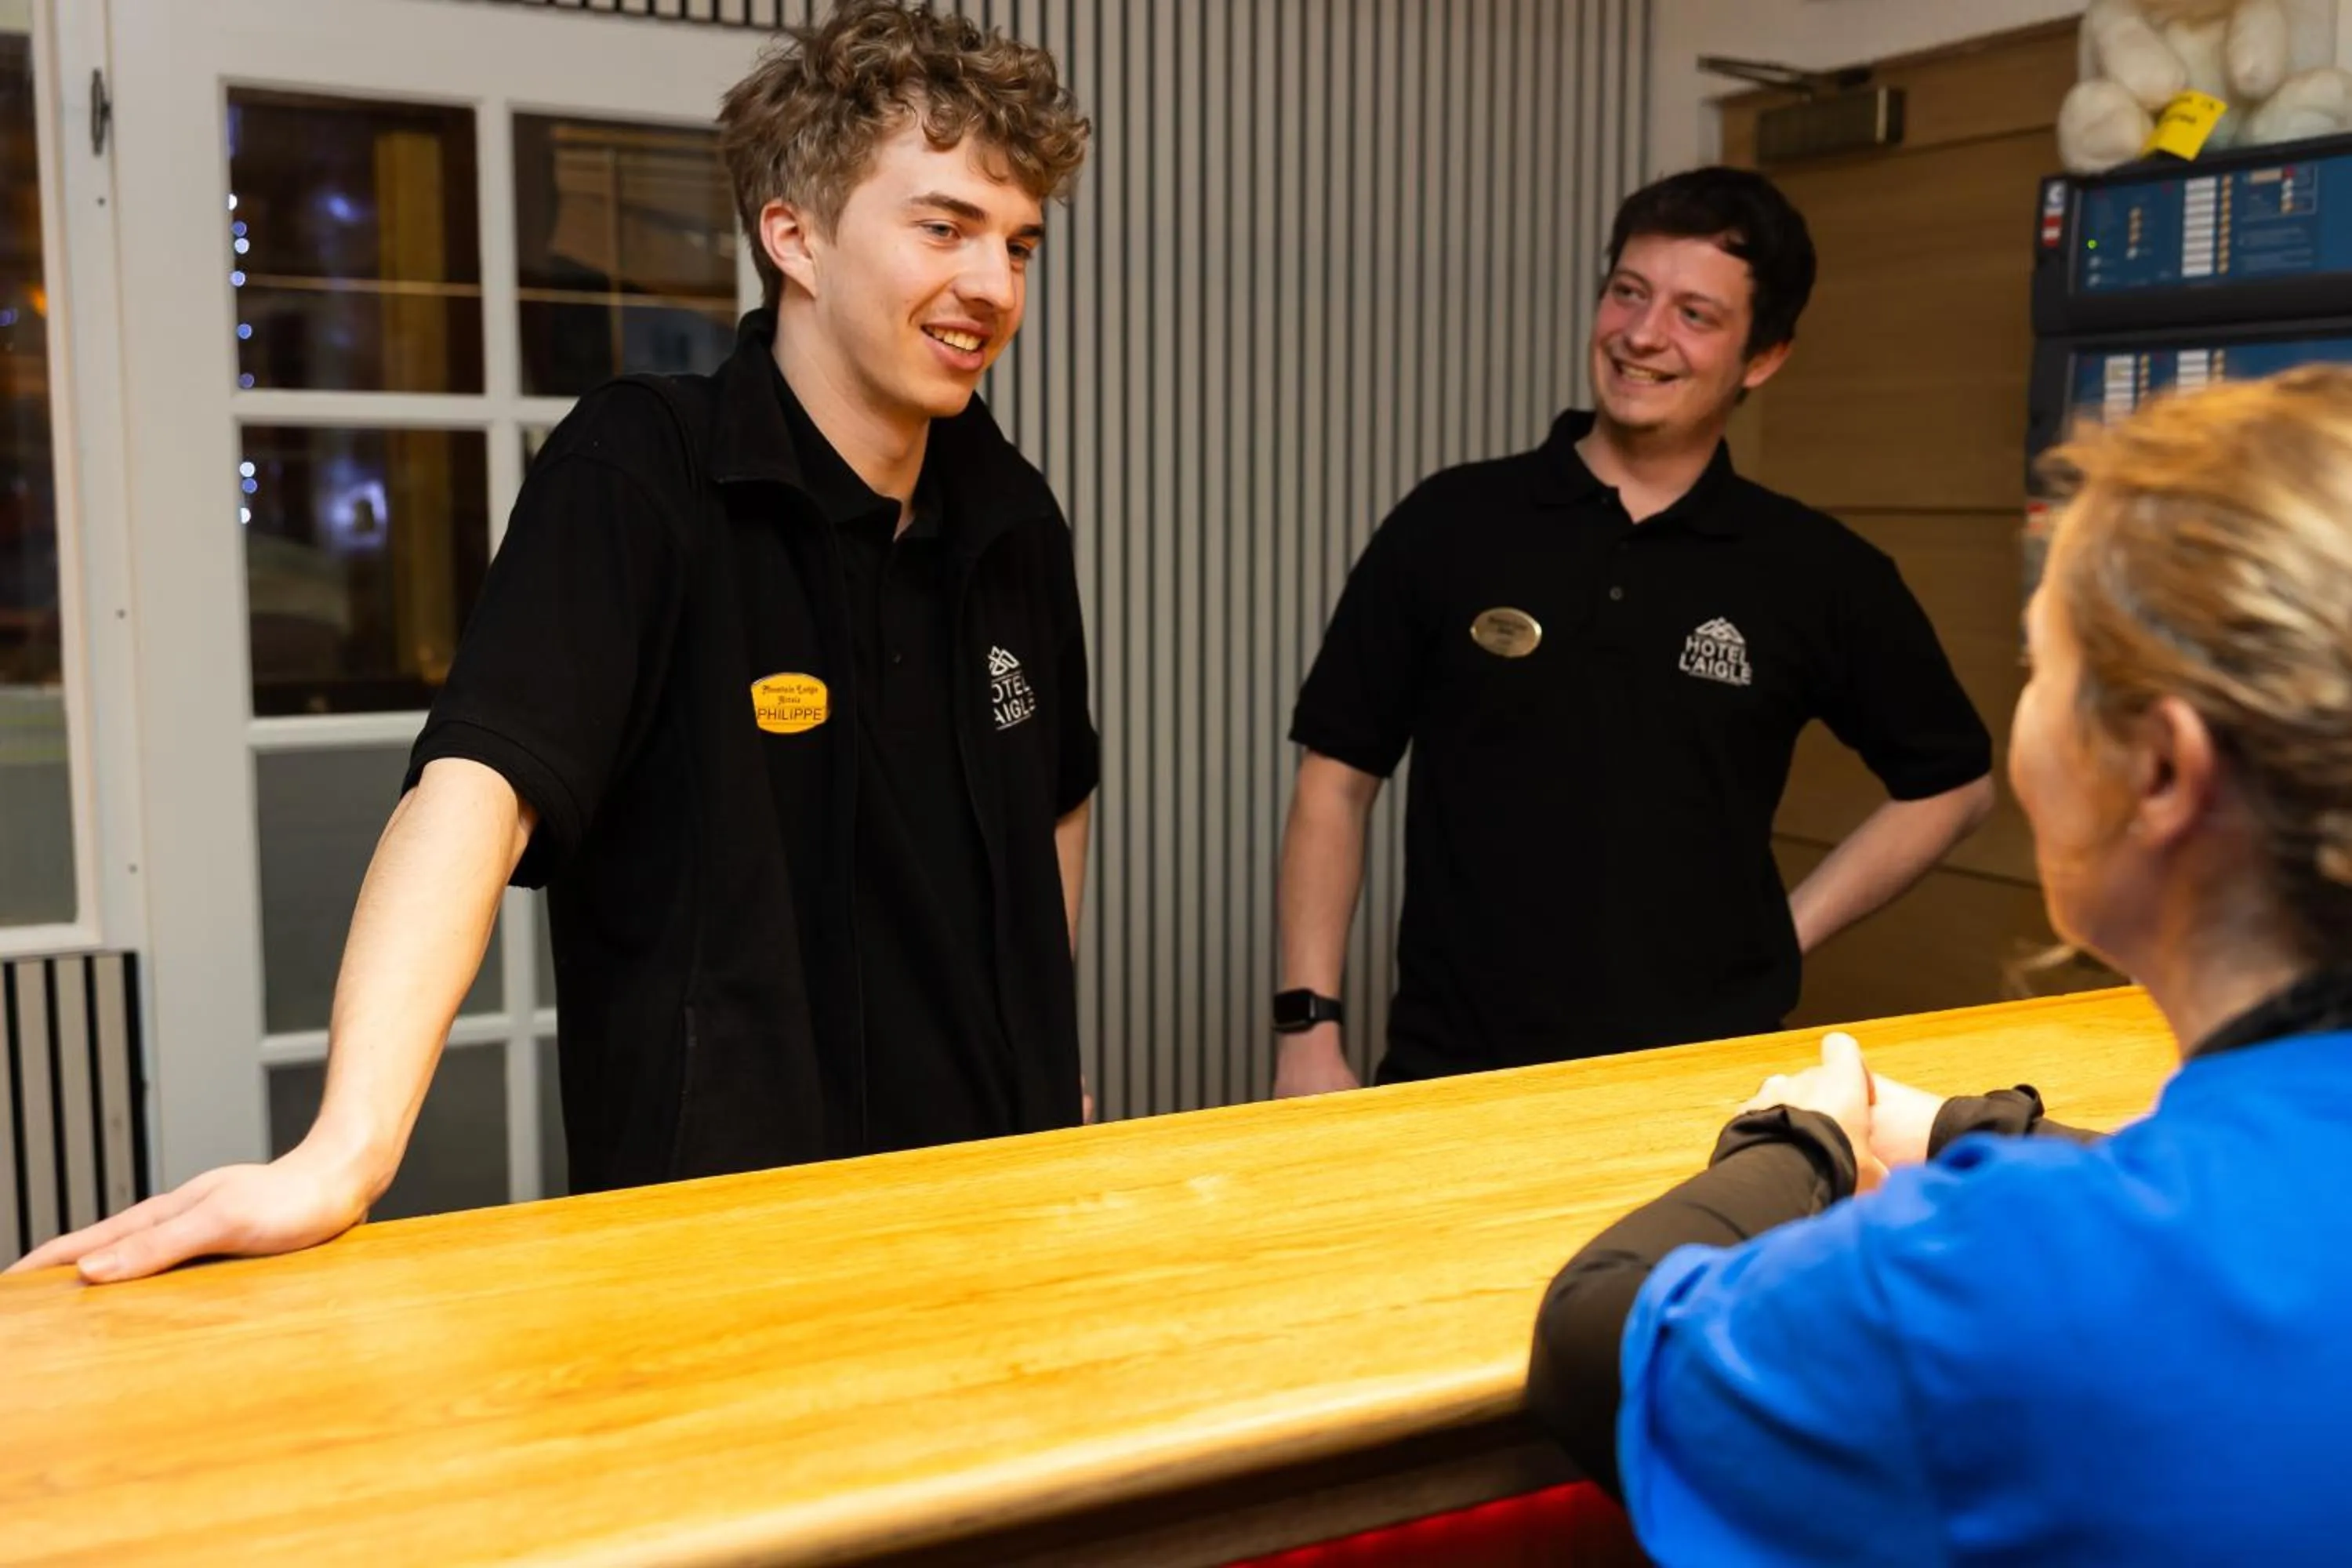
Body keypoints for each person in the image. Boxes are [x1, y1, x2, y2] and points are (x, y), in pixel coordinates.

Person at [12, 0, 1098, 1284]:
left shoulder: (1010, 511)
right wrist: (347, 1149)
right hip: (720, 1253)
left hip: (1001, 1212)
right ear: (794, 237)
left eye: (1019, 244)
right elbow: (480, 789)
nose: (993, 286)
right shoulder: (644, 470)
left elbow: (1052, 809)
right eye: (945, 228)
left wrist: (1052, 1076)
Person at [1527, 367, 2352, 1563]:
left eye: (2042, 670)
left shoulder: (2015, 1277)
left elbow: (1600, 1338)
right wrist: (1969, 1127)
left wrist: (1799, 1143)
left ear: (2163, 774)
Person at [1272, 167, 1994, 1094]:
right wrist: (1307, 1026)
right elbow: (1335, 779)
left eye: (1696, 314)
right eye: (1629, 292)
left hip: (1707, 1082)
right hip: (1453, 1076)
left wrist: (1783, 929)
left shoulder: (1815, 571)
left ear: (1764, 356)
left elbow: (1955, 783)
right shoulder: (1452, 522)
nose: (1644, 335)